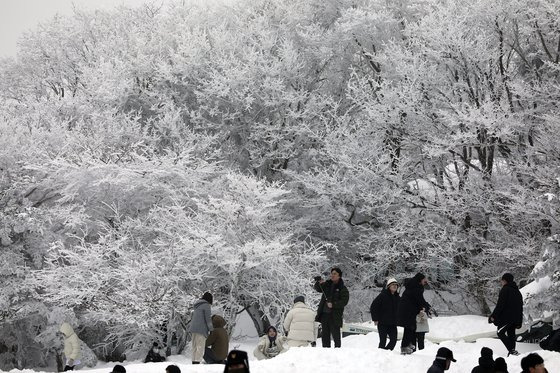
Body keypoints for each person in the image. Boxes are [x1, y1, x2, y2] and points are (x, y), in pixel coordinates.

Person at [313, 267, 350, 348]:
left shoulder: (342, 288)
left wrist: (333, 304)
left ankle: (337, 353)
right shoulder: (327, 284)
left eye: (334, 274)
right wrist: (318, 282)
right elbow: (318, 288)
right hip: (324, 315)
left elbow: (344, 301)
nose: (332, 275)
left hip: (335, 316)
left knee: (336, 337)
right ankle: (326, 353)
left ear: (339, 276)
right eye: (331, 274)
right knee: (325, 336)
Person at [489, 273, 523, 356]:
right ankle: (512, 353)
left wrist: (493, 316)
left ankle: (512, 351)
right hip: (515, 319)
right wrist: (519, 321)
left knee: (500, 332)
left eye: (502, 280)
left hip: (507, 318)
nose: (501, 282)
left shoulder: (505, 289)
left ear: (505, 280)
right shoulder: (518, 292)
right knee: (511, 334)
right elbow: (520, 307)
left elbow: (500, 305)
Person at [396, 273, 431, 354]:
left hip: (408, 310)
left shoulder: (414, 285)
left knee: (411, 328)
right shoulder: (416, 287)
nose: (425, 281)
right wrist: (425, 306)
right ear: (420, 279)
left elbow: (418, 300)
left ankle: (409, 344)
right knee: (409, 328)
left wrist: (424, 306)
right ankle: (404, 347)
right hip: (407, 311)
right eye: (424, 279)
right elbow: (419, 299)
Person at [370, 277, 400, 350]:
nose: (395, 286)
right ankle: (380, 355)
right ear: (388, 286)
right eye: (393, 284)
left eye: (396, 285)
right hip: (382, 323)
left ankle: (386, 354)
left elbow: (402, 308)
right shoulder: (383, 295)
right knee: (383, 342)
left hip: (393, 324)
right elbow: (373, 306)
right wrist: (375, 319)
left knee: (393, 341)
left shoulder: (397, 297)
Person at [190, 292, 214, 364]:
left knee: (194, 347)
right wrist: (211, 329)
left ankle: (194, 362)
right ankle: (197, 364)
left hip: (193, 328)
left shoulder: (198, 305)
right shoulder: (206, 306)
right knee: (200, 347)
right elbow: (208, 319)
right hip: (201, 329)